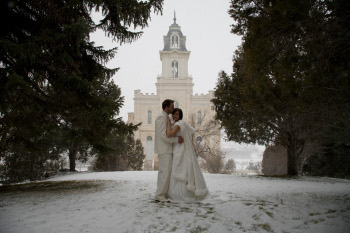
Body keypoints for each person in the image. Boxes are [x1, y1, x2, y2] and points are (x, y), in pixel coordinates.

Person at [166, 108, 208, 202]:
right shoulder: (183, 123)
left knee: (178, 168)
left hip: (178, 149)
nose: (174, 116)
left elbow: (169, 134)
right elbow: (190, 132)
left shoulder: (178, 124)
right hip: (182, 148)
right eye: (174, 114)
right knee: (184, 168)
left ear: (180, 115)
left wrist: (169, 124)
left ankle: (179, 193)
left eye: (177, 114)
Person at [154, 99, 183, 202]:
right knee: (165, 173)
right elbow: (163, 136)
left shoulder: (166, 117)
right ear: (166, 107)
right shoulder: (160, 118)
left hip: (167, 149)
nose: (173, 108)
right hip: (164, 150)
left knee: (165, 173)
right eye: (171, 107)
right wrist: (176, 140)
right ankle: (160, 196)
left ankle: (162, 194)